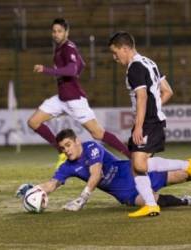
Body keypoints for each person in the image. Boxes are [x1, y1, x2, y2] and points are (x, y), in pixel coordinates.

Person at [15, 129, 191, 211]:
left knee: (185, 174)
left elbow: (95, 174)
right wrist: (36, 190)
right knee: (155, 204)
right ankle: (188, 202)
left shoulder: (91, 147)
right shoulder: (68, 166)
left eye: (68, 145)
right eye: (62, 148)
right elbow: (52, 184)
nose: (66, 150)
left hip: (134, 173)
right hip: (125, 194)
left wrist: (81, 199)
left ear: (77, 141)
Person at [107, 31, 191, 217]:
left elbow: (142, 97)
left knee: (140, 165)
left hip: (148, 123)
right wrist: (154, 110)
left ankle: (186, 165)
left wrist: (140, 125)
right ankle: (151, 204)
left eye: (115, 52)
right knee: (136, 165)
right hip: (153, 120)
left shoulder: (134, 67)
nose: (114, 57)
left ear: (125, 48)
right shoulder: (149, 62)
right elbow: (167, 91)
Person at [28, 18, 130, 169]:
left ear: (66, 32)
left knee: (97, 133)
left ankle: (131, 155)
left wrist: (46, 70)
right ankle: (62, 154)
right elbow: (81, 64)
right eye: (54, 31)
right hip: (62, 98)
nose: (56, 34)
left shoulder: (68, 47)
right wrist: (71, 79)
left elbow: (72, 69)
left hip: (74, 99)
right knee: (33, 121)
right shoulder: (60, 48)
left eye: (60, 31)